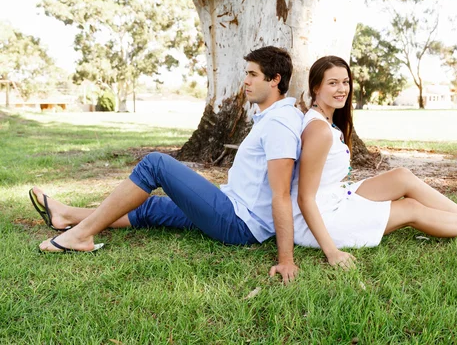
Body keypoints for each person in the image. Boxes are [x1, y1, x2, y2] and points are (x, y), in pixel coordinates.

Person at [34, 46, 303, 283]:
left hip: (239, 223)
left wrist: (286, 259)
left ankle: (80, 236)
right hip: (231, 205)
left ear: (275, 79)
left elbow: (280, 194)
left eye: (253, 74)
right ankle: (67, 215)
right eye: (246, 73)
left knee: (155, 164)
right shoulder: (271, 118)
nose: (245, 81)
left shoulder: (279, 124)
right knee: (150, 207)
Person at [292, 56, 457, 268]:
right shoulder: (318, 130)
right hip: (322, 218)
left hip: (336, 198)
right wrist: (332, 252)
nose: (342, 89)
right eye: (333, 83)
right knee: (411, 209)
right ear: (316, 87)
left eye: (345, 82)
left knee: (402, 176)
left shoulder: (325, 120)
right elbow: (305, 198)